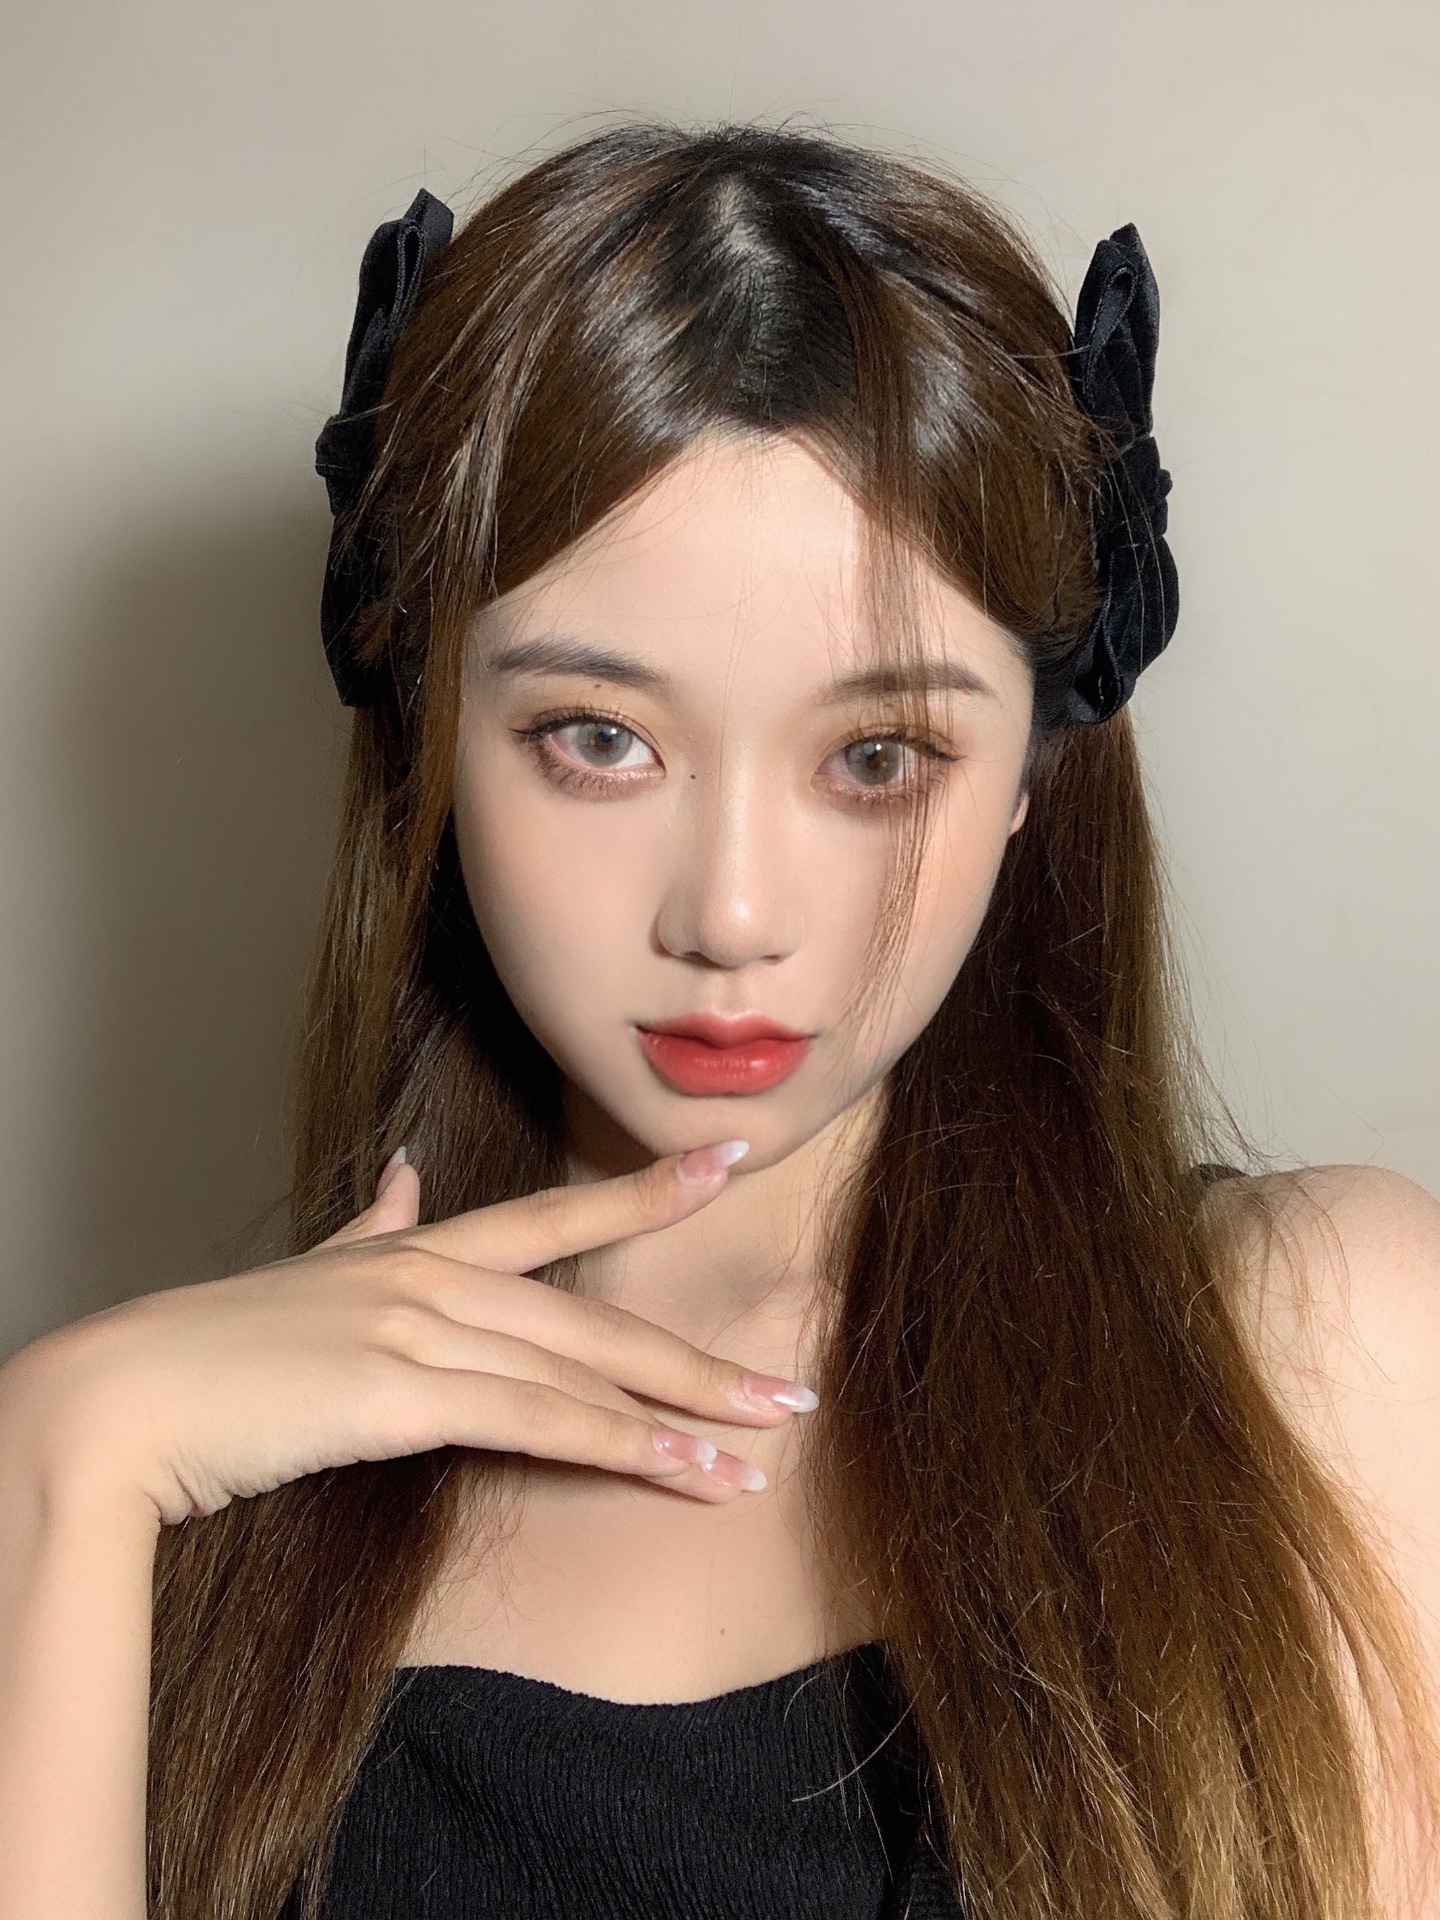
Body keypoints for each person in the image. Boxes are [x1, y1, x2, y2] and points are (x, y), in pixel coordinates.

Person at [0, 122, 1437, 1920]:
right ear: (429, 737)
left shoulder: (1310, 1351)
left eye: (878, 754)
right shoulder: (198, 1505)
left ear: (1029, 774)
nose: (733, 914)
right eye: (600, 739)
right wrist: (61, 1456)